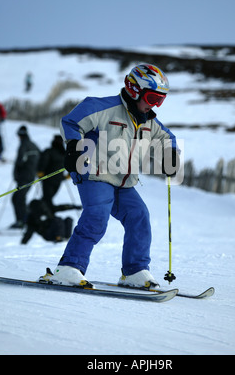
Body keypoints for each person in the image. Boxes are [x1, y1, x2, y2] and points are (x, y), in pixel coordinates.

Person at [40, 64, 180, 288]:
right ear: (134, 89)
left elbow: (167, 138)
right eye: (152, 97)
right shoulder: (101, 107)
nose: (154, 105)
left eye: (160, 100)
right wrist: (74, 146)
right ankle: (69, 268)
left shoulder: (149, 122)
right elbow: (71, 122)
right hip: (95, 175)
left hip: (124, 183)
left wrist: (171, 154)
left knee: (140, 217)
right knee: (96, 217)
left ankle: (134, 271)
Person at [10, 126, 40, 229]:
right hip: (31, 176)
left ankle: (23, 221)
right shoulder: (33, 145)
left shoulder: (23, 145)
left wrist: (16, 174)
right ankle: (25, 220)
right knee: (19, 198)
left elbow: (19, 161)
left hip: (24, 176)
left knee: (18, 198)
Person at [37, 135, 66, 208]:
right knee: (48, 199)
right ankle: (45, 212)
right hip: (58, 180)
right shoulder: (64, 153)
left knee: (47, 199)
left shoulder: (49, 151)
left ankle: (39, 211)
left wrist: (40, 173)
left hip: (48, 179)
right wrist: (68, 176)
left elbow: (42, 162)